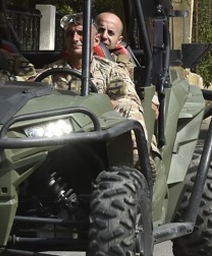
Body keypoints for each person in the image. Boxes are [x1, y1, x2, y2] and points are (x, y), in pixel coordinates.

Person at [35, 14, 153, 168]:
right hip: (55, 133)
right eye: (70, 34)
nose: (75, 38)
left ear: (96, 40)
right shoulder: (50, 72)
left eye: (81, 33)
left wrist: (97, 105)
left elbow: (128, 100)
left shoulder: (111, 70)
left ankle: (139, 160)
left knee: (130, 108)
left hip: (98, 132)